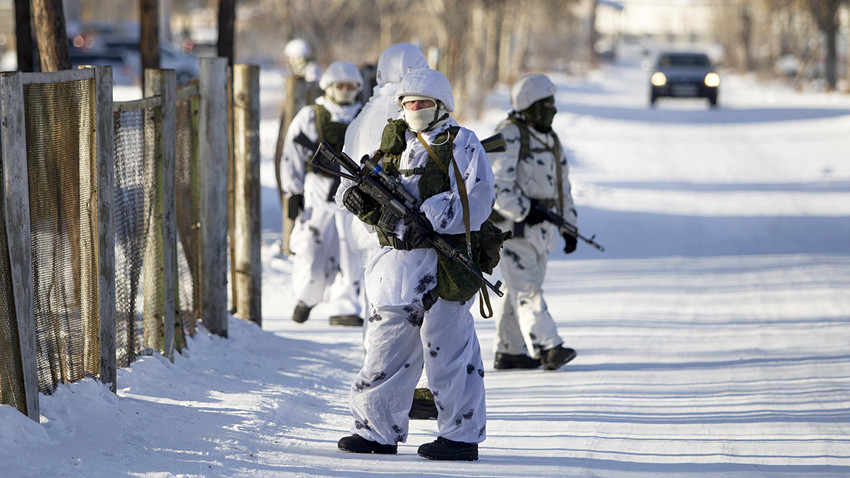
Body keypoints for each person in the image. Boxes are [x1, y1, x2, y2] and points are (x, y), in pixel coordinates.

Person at [336, 68, 493, 460]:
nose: (416, 109)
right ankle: (375, 431)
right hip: (395, 269)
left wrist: (434, 216)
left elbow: (479, 197)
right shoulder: (391, 147)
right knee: (385, 353)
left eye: (423, 103)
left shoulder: (463, 143)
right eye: (409, 104)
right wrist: (358, 201)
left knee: (450, 354)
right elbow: (357, 184)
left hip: (445, 268)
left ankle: (461, 436)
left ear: (442, 105)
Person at [338, 43, 438, 421]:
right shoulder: (408, 115)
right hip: (402, 233)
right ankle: (402, 396)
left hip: (366, 234)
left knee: (380, 316)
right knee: (411, 315)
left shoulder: (362, 115)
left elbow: (344, 190)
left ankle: (387, 396)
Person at [488, 73, 578, 371]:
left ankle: (509, 350)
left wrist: (569, 226)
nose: (553, 108)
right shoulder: (506, 135)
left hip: (543, 231)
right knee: (528, 291)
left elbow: (563, 188)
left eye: (553, 102)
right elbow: (496, 186)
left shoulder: (551, 139)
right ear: (530, 104)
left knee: (522, 289)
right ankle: (549, 346)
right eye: (547, 103)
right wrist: (526, 210)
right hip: (512, 230)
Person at [281, 60, 365, 326]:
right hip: (318, 195)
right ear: (328, 86)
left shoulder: (364, 115)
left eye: (350, 86)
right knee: (311, 253)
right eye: (340, 85)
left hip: (352, 197)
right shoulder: (311, 115)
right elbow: (292, 154)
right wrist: (292, 192)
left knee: (350, 255)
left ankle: (345, 307)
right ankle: (307, 297)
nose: (345, 90)